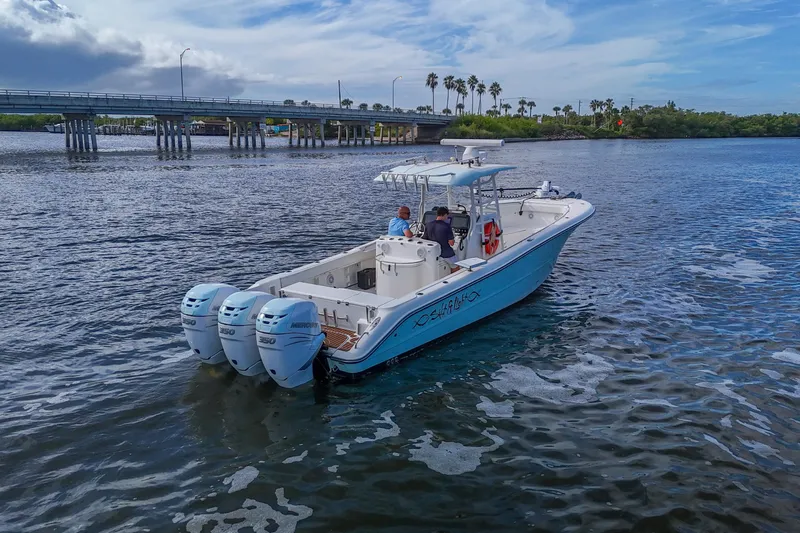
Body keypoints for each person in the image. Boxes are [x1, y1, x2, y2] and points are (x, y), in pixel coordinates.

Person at [422, 206, 460, 272]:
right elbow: (451, 243)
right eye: (447, 215)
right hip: (445, 253)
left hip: (433, 252)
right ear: (445, 214)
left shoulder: (428, 225)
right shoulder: (447, 226)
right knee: (456, 266)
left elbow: (425, 239)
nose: (447, 217)